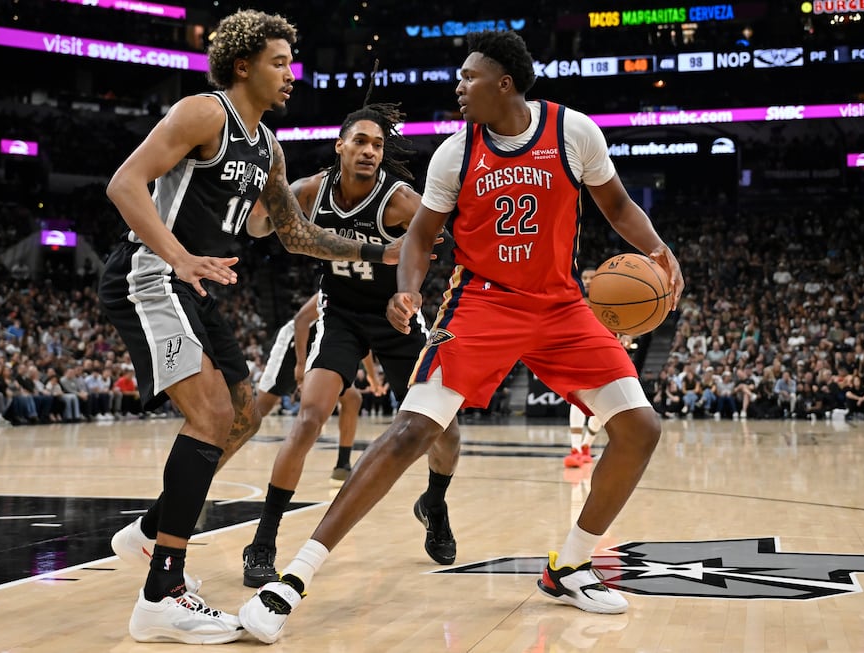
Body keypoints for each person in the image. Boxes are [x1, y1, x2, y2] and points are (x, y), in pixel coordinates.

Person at [239, 29, 683, 643]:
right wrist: (407, 289)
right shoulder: (455, 152)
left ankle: (570, 566)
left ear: (504, 83)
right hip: (482, 306)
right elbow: (421, 237)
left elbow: (618, 206)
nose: (459, 86)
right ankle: (292, 579)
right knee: (411, 432)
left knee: (641, 427)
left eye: (469, 76)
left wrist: (658, 249)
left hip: (561, 307)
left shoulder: (573, 132)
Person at [97, 9, 402, 645]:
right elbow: (124, 184)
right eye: (279, 62)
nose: (291, 74)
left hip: (196, 288)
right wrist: (179, 255)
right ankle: (161, 593)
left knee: (242, 415)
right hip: (151, 274)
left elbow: (295, 234)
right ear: (243, 66)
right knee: (210, 416)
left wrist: (379, 251)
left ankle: (151, 532)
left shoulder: (269, 148)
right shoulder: (203, 113)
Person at [242, 102, 462, 588]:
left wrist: (409, 292)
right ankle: (263, 540)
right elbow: (258, 227)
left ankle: (434, 502)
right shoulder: (310, 190)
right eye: (360, 141)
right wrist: (263, 198)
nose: (369, 151)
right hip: (339, 314)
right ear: (339, 145)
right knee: (308, 417)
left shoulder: (400, 200)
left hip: (396, 318)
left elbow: (434, 242)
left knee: (446, 431)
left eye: (377, 145)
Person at [254, 293, 381, 485]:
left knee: (353, 399)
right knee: (260, 410)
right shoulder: (339, 286)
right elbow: (301, 320)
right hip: (296, 346)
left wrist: (373, 377)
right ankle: (221, 439)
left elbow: (364, 345)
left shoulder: (370, 304)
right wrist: (300, 365)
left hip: (323, 348)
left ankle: (342, 466)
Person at [564, 267, 602, 468]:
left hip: (605, 354)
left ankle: (587, 445)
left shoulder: (611, 299)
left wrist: (626, 334)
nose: (587, 281)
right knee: (578, 399)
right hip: (579, 354)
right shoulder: (574, 298)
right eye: (585, 277)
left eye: (591, 278)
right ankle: (575, 449)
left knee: (602, 407)